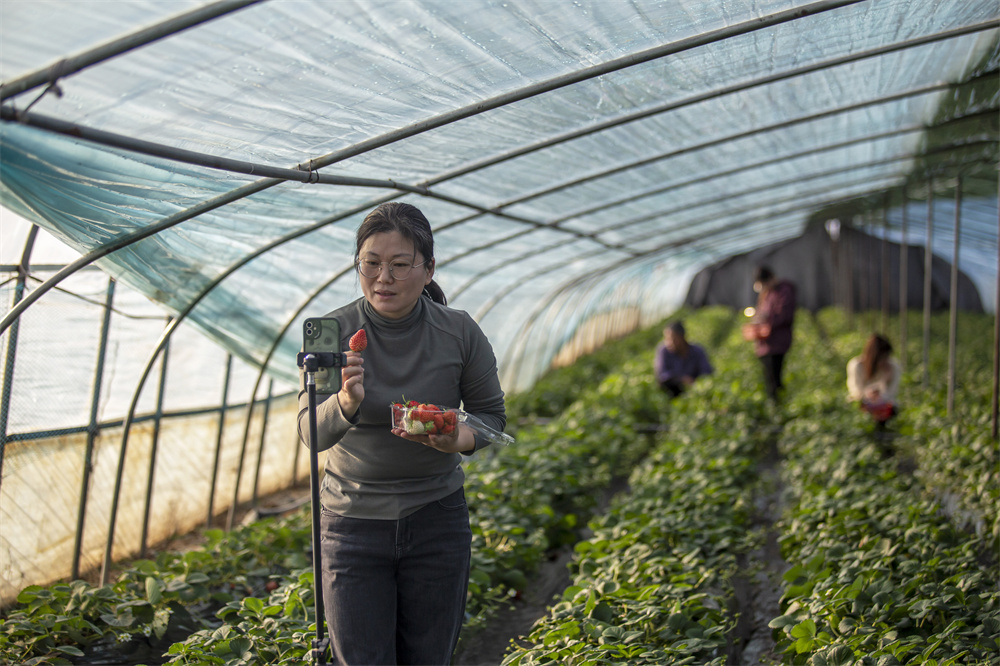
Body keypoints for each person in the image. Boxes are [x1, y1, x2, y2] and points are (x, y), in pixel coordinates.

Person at [297, 201, 507, 665]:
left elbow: (491, 416)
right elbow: (311, 433)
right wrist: (346, 403)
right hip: (351, 525)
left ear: (428, 269)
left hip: (436, 518)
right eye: (370, 264)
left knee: (428, 658)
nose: (382, 278)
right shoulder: (331, 332)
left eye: (398, 265)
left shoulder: (460, 333)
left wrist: (460, 437)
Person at [742, 265, 796, 402]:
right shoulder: (768, 293)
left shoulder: (784, 291)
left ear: (771, 278)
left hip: (777, 342)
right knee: (769, 377)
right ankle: (774, 403)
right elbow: (762, 311)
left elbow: (784, 315)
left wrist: (766, 320)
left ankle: (778, 405)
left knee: (775, 377)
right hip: (765, 343)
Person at [847, 333, 900, 428]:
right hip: (864, 404)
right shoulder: (857, 365)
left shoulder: (893, 366)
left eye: (886, 357)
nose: (884, 361)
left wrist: (885, 380)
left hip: (885, 404)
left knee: (891, 410)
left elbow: (892, 393)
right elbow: (856, 392)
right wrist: (869, 395)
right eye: (881, 357)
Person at [654, 320, 713, 397]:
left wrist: (696, 382)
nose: (669, 343)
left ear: (683, 337)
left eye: (673, 339)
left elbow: (706, 371)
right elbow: (662, 374)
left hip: (696, 390)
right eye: (667, 339)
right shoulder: (664, 351)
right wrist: (682, 379)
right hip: (674, 391)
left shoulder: (697, 351)